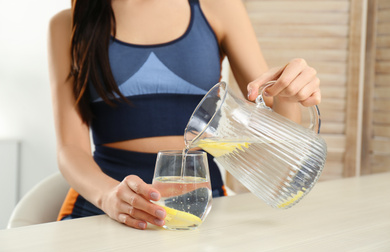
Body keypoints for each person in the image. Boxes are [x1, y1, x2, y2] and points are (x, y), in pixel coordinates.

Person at [48, 0, 320, 230]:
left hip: (202, 204)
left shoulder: (218, 6)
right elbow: (70, 148)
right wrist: (108, 196)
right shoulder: (68, 23)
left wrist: (289, 89)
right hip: (104, 208)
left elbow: (275, 123)